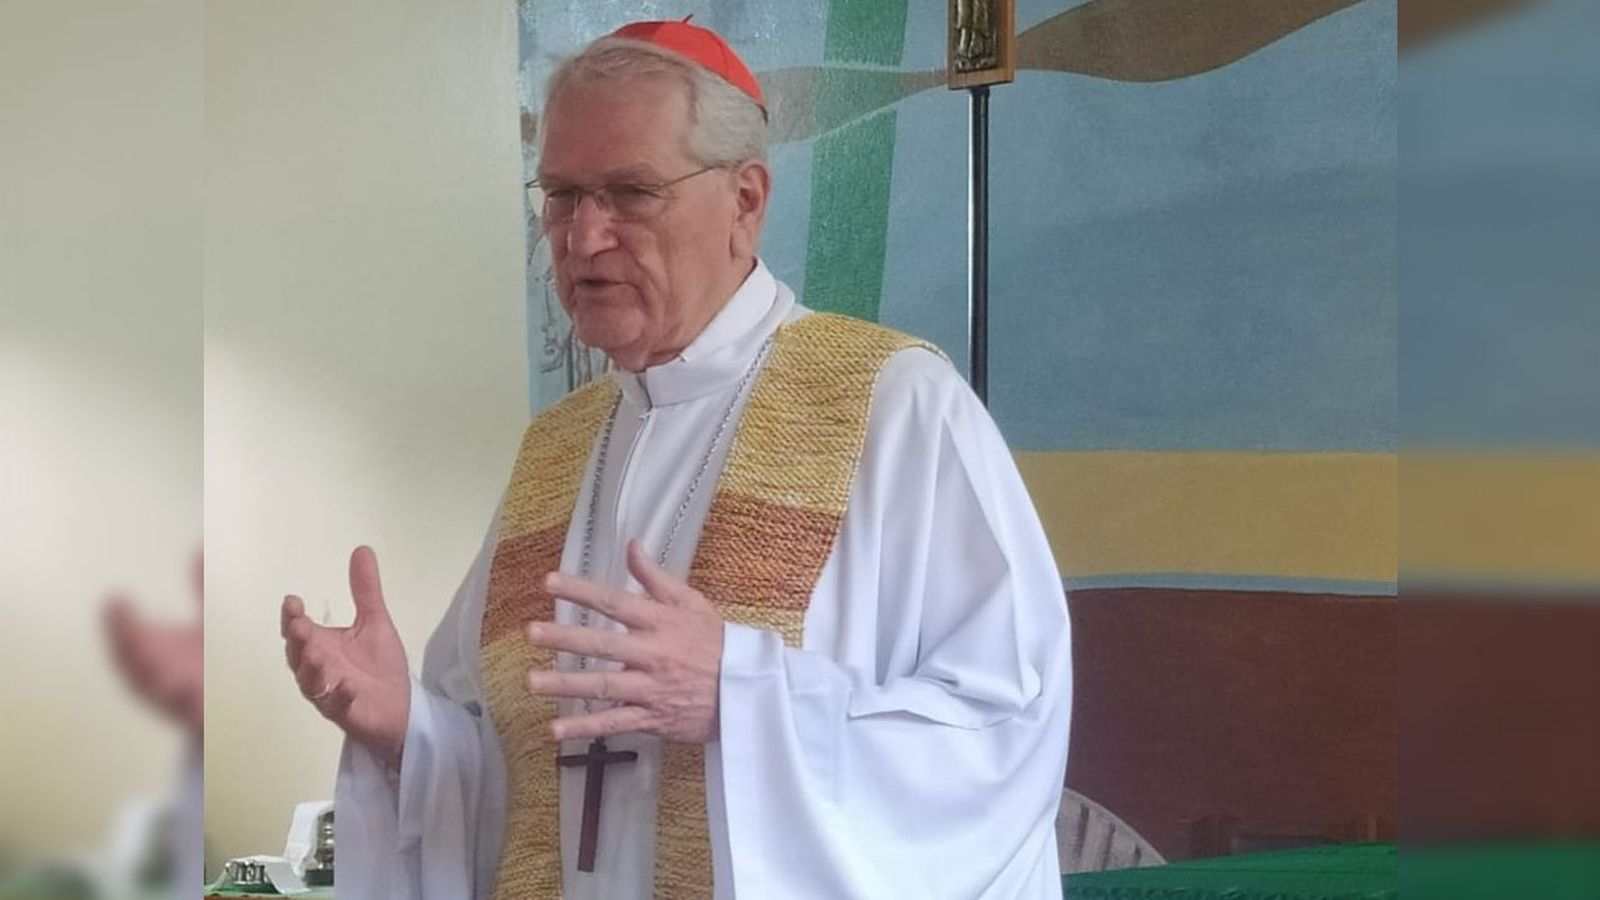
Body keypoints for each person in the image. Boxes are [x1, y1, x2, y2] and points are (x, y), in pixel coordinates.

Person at [279, 18, 1071, 900]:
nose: (582, 240)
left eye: (630, 193)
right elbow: (521, 781)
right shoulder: (558, 446)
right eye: (563, 196)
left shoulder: (896, 407)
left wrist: (742, 694)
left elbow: (1004, 738)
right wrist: (409, 732)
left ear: (746, 201)